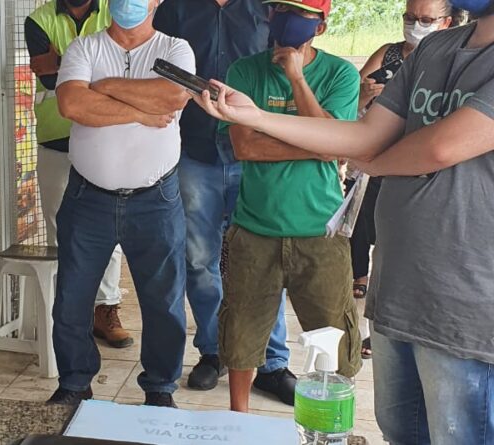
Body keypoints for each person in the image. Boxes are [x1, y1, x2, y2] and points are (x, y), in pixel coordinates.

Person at [195, 0, 494, 439]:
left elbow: (440, 147)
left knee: (457, 432)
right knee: (401, 428)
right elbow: (363, 136)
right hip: (400, 287)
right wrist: (254, 116)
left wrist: (366, 159)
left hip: (466, 298)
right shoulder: (437, 49)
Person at [214, 0, 362, 413]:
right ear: (268, 15)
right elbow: (245, 146)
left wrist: (297, 79)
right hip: (254, 228)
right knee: (242, 334)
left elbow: (334, 147)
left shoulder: (340, 74)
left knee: (332, 337)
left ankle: (328, 420)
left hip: (320, 231)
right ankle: (237, 419)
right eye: (280, 7)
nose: (288, 17)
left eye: (301, 11)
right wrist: (313, 143)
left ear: (322, 24)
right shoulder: (244, 72)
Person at [49, 0, 194, 408]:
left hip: (156, 199)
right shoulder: (85, 48)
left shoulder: (174, 49)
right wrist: (141, 111)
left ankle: (161, 387)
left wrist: (105, 86)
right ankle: (75, 382)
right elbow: (72, 105)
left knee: (163, 302)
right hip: (87, 197)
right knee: (73, 300)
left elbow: (172, 95)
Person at [153, 0, 295, 402]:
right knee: (200, 260)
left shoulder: (265, 9)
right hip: (195, 152)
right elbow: (158, 66)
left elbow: (286, 65)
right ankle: (214, 352)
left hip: (253, 153)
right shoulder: (176, 9)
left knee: (265, 257)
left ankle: (271, 362)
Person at [25, 0, 133, 349]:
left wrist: (72, 67)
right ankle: (73, 310)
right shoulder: (38, 20)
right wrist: (104, 77)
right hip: (56, 136)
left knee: (109, 224)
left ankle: (106, 308)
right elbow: (49, 78)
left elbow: (129, 70)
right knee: (62, 228)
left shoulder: (114, 11)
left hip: (104, 135)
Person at [352, 0, 455, 360]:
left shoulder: (453, 60)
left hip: (425, 175)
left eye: (426, 20)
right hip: (379, 161)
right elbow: (357, 102)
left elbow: (441, 144)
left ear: (446, 21)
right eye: (410, 18)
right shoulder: (391, 54)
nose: (416, 26)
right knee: (369, 235)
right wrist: (366, 96)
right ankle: (376, 328)